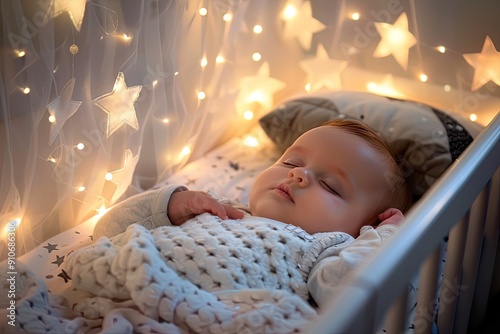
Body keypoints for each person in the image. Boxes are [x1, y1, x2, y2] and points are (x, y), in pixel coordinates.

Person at [84, 119, 412, 310]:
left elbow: (346, 289)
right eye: (291, 163)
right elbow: (106, 231)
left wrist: (384, 238)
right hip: (122, 296)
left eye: (329, 185)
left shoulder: (326, 252)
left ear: (360, 230)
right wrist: (170, 205)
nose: (298, 176)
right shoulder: (219, 208)